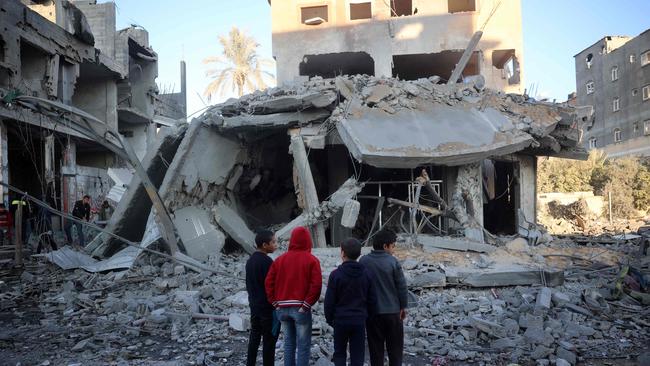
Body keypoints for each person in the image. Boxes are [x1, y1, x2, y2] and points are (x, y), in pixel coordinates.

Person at [265, 227, 322, 366]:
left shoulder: (279, 260)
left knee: (288, 344)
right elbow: (316, 285)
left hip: (282, 309)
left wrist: (274, 303)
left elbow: (268, 283)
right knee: (303, 346)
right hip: (301, 309)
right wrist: (307, 304)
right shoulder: (312, 260)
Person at [359, 229, 408, 366]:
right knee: (395, 350)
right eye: (393, 246)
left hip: (373, 314)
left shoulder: (363, 261)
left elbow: (361, 287)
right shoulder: (393, 262)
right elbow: (402, 287)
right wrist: (403, 307)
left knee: (376, 350)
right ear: (385, 246)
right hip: (393, 313)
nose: (394, 249)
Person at [324, 238, 376, 366]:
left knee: (340, 353)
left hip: (340, 320)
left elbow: (329, 301)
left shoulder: (336, 275)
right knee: (357, 354)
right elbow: (372, 300)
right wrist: (368, 317)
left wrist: (330, 319)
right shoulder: (367, 274)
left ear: (342, 253)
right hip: (359, 320)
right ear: (359, 254)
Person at [246, 229, 279, 366]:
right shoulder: (267, 262)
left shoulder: (250, 260)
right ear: (265, 245)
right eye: (273, 242)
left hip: (254, 306)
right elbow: (272, 286)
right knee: (269, 341)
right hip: (267, 308)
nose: (276, 245)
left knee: (254, 337)